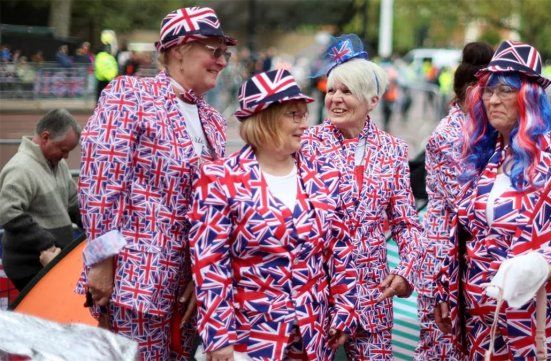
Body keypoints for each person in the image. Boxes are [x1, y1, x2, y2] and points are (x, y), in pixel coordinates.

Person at [76, 6, 235, 360]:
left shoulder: (212, 120)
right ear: (179, 49)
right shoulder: (131, 95)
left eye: (225, 53)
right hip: (136, 284)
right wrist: (101, 260)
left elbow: (210, 207)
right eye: (214, 50)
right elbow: (100, 183)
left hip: (189, 293)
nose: (222, 60)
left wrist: (203, 272)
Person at [437, 40, 551, 359]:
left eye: (505, 90)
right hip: (485, 333)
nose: (493, 100)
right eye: (488, 90)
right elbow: (465, 233)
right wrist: (446, 288)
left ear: (529, 97)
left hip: (550, 331)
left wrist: (546, 260)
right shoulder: (485, 159)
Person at [190, 69, 358, 360]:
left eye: (304, 114)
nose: (304, 124)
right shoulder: (220, 178)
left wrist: (345, 309)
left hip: (312, 337)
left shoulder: (323, 175)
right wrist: (218, 338)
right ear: (265, 118)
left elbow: (340, 249)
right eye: (294, 114)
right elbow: (211, 264)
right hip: (250, 339)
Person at [300, 34, 423, 360]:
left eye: (347, 91)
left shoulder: (393, 151)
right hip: (318, 295)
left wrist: (405, 271)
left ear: (372, 100)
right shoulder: (305, 144)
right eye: (333, 89)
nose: (336, 99)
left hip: (373, 298)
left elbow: (407, 223)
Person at [416, 41, 494, 361]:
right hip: (443, 248)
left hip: (470, 245)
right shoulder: (448, 134)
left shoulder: (482, 128)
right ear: (465, 94)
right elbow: (463, 201)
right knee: (441, 342)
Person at [0, 109, 82, 291]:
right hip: (31, 265)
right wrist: (46, 242)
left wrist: (94, 225)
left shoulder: (58, 164)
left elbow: (73, 202)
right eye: (63, 149)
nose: (66, 156)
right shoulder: (21, 168)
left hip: (53, 259)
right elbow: (7, 212)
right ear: (45, 138)